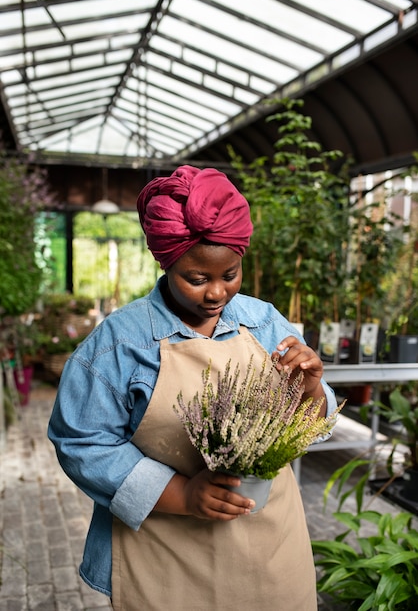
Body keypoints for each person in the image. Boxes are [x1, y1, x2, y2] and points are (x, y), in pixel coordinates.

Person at [48, 165, 338, 611]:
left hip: (270, 550)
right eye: (197, 278)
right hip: (165, 554)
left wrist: (311, 390)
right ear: (166, 262)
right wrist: (183, 496)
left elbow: (313, 425)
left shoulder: (264, 322)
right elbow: (82, 440)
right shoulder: (119, 343)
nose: (217, 293)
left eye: (231, 274)